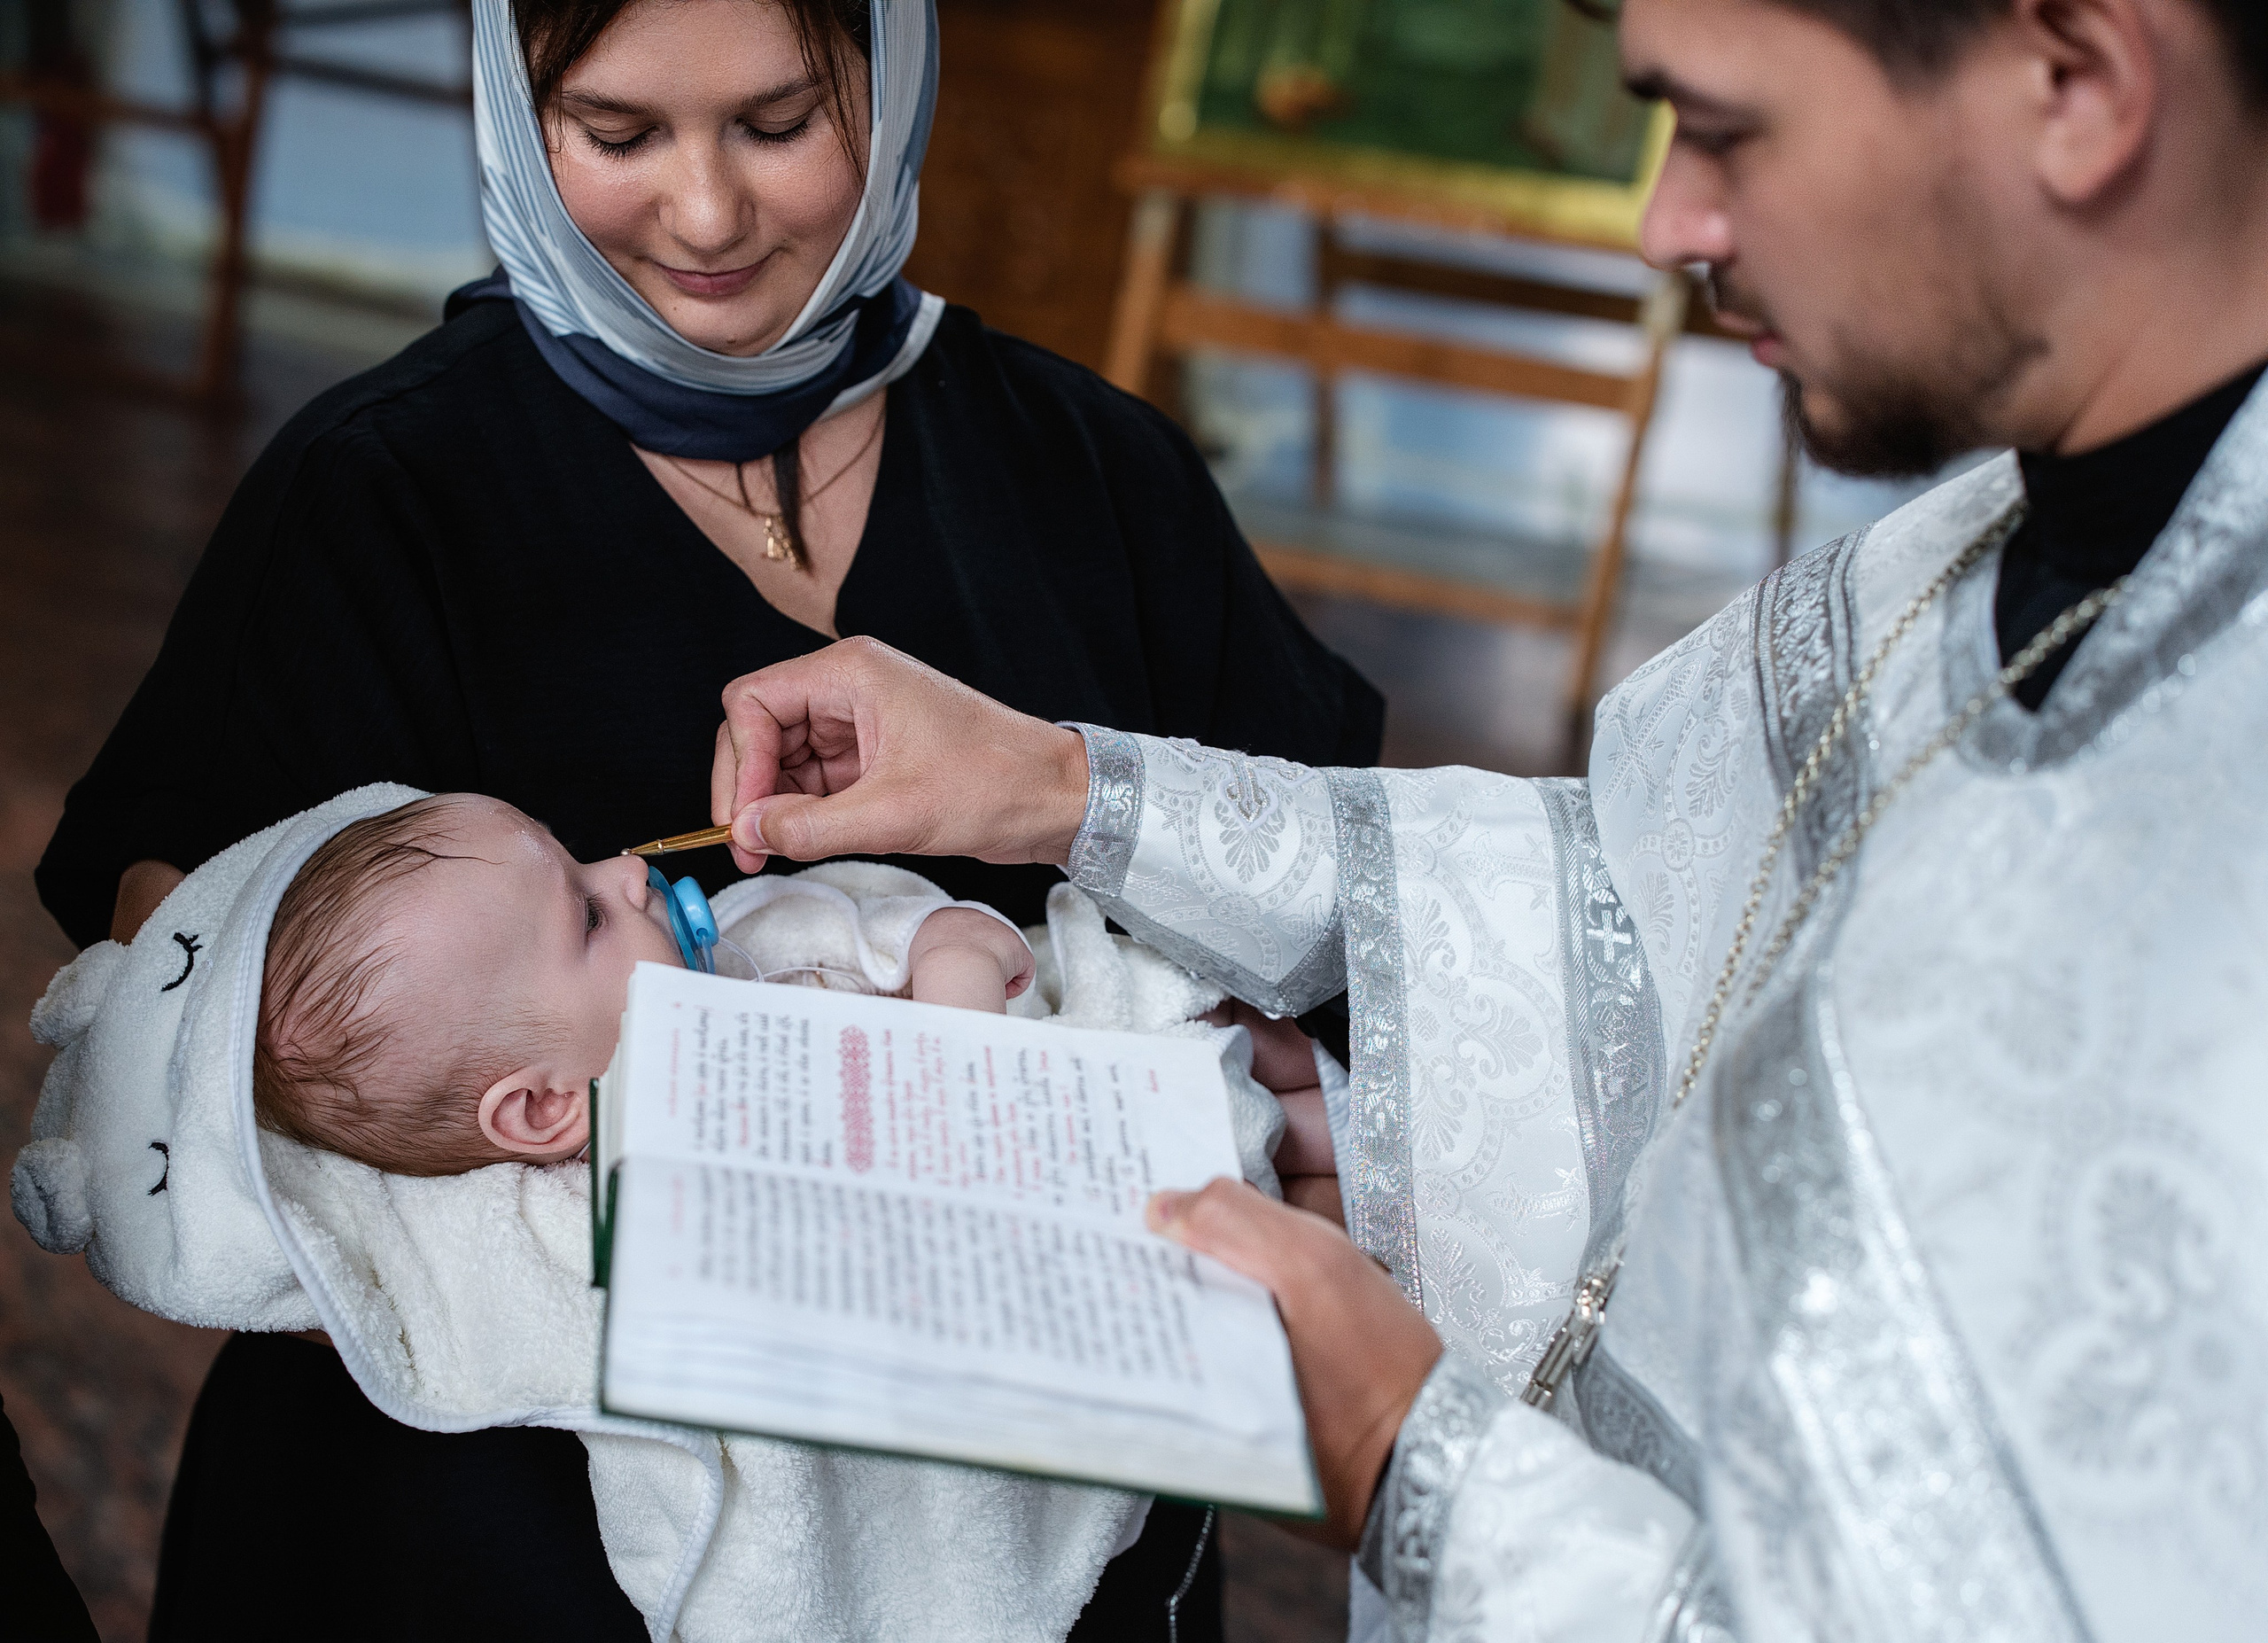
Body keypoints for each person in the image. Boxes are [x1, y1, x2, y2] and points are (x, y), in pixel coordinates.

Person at [694, 0, 2268, 1635]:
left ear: (2077, 83)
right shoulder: (1992, 536)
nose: (1669, 225)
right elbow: (1650, 907)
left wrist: (1406, 1451)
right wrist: (1058, 786)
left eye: (1723, 130)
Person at [35, 0, 1378, 1630]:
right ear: (518, 120)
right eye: (616, 135)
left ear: (892, 79)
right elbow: (228, 1103)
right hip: (486, 1566)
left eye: (778, 121)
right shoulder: (379, 495)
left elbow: (1331, 900)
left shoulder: (1096, 475)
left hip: (1039, 1535)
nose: (706, 212)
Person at [250, 792, 1035, 1175]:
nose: (628, 871)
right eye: (589, 917)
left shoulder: (766, 944)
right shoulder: (633, 1213)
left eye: (577, 856)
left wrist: (955, 968)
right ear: (545, 1105)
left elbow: (948, 935)